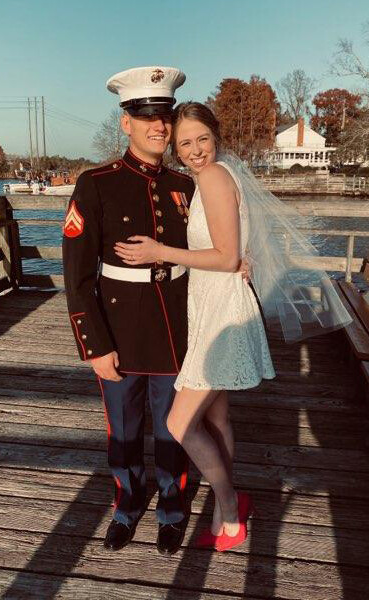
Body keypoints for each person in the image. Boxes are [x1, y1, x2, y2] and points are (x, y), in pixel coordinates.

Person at [114, 101, 352, 552]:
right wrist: (238, 257)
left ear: (216, 136)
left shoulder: (216, 178)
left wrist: (159, 252)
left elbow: (223, 257)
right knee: (217, 414)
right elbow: (230, 249)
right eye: (185, 143)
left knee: (180, 422)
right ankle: (235, 498)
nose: (195, 149)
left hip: (222, 310)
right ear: (177, 149)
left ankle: (227, 508)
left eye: (202, 138)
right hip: (209, 306)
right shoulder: (208, 179)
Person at [62, 67, 196, 556]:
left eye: (164, 115)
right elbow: (76, 276)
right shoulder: (95, 183)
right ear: (126, 123)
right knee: (123, 429)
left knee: (174, 427)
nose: (158, 126)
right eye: (146, 117)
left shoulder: (187, 183)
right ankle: (126, 504)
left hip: (177, 326)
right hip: (118, 327)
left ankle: (173, 508)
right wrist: (94, 345)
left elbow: (207, 253)